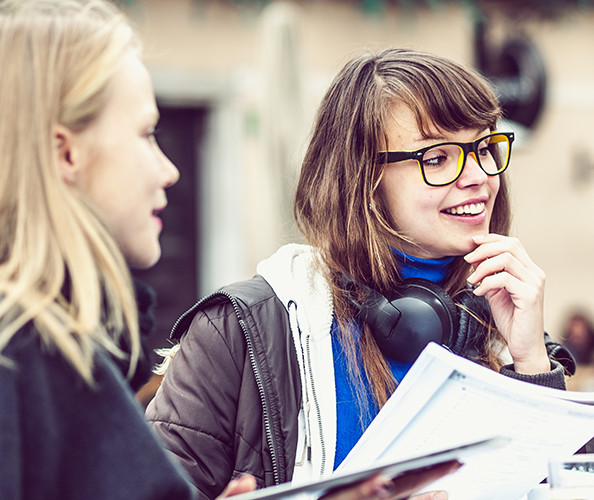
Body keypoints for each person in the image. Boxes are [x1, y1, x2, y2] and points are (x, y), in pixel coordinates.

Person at [0, 2, 455, 499]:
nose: (168, 169)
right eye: (147, 134)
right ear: (67, 153)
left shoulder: (59, 350)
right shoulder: (29, 363)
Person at [146, 48, 574, 500]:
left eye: (485, 148)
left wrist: (531, 365)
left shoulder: (496, 322)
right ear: (364, 178)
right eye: (437, 158)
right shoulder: (238, 330)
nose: (478, 176)